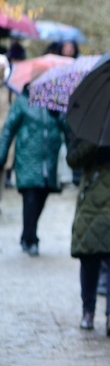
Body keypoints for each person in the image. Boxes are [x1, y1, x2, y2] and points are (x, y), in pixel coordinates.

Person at [65, 137, 110, 335]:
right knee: (89, 258)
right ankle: (88, 312)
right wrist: (96, 141)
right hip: (91, 206)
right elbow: (72, 159)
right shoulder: (88, 130)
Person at [0, 86, 66, 256]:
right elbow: (8, 129)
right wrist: (2, 155)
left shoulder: (54, 102)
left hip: (48, 161)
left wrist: (59, 116)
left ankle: (27, 234)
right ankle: (31, 238)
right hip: (27, 159)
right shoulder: (22, 102)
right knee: (30, 198)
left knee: (42, 197)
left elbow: (67, 127)